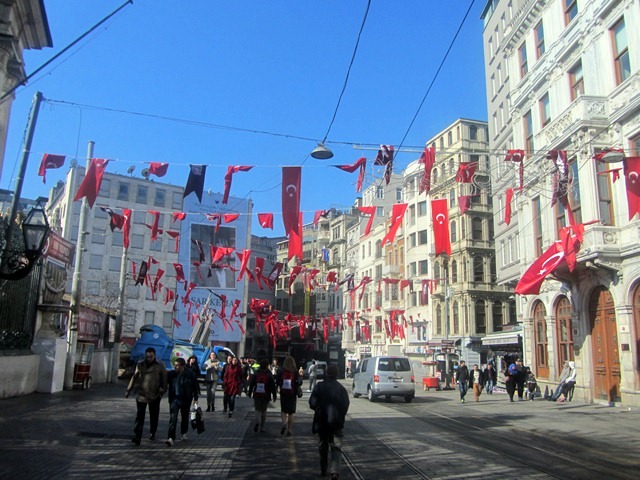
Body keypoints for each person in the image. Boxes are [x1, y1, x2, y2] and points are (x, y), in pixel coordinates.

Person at [309, 365, 350, 480]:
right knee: (336, 447)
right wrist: (340, 415)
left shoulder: (319, 386)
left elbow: (312, 402)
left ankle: (323, 469)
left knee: (323, 445)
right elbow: (346, 405)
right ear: (337, 374)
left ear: (326, 373)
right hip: (336, 422)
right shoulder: (341, 389)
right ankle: (334, 471)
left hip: (322, 421)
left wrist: (318, 409)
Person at [125, 347, 167, 445]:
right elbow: (134, 377)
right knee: (140, 416)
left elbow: (164, 379)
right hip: (142, 394)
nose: (149, 358)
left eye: (151, 357)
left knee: (154, 415)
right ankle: (137, 436)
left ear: (154, 355)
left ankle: (153, 432)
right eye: (147, 356)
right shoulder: (140, 364)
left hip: (155, 394)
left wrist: (162, 390)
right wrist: (128, 390)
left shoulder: (160, 364)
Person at [165, 357, 199, 447]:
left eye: (177, 365)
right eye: (175, 365)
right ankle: (171, 437)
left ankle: (184, 432)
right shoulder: (172, 374)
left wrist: (195, 398)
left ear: (183, 366)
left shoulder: (190, 374)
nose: (175, 367)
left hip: (186, 399)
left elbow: (195, 387)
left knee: (184, 417)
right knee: (173, 418)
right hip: (174, 399)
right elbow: (164, 383)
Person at [248, 358, 277, 433]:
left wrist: (250, 392)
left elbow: (252, 383)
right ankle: (262, 427)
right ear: (267, 365)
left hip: (257, 393)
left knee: (257, 409)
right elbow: (272, 386)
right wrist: (274, 395)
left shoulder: (256, 373)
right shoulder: (269, 374)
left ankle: (257, 421)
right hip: (266, 394)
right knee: (264, 410)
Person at [276, 356, 303, 436]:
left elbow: (277, 381)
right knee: (291, 412)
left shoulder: (281, 371)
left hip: (283, 393)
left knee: (283, 410)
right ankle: (289, 429)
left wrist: (277, 389)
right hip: (292, 393)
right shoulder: (295, 371)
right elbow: (300, 382)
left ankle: (284, 423)